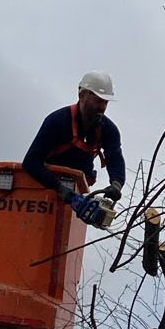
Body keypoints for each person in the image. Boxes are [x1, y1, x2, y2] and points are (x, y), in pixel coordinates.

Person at [23, 73, 126, 228]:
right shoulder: (57, 121)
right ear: (82, 95)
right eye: (98, 100)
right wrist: (60, 188)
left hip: (79, 191)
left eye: (105, 102)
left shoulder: (108, 130)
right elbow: (31, 162)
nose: (102, 107)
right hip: (45, 187)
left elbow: (114, 158)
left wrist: (116, 185)